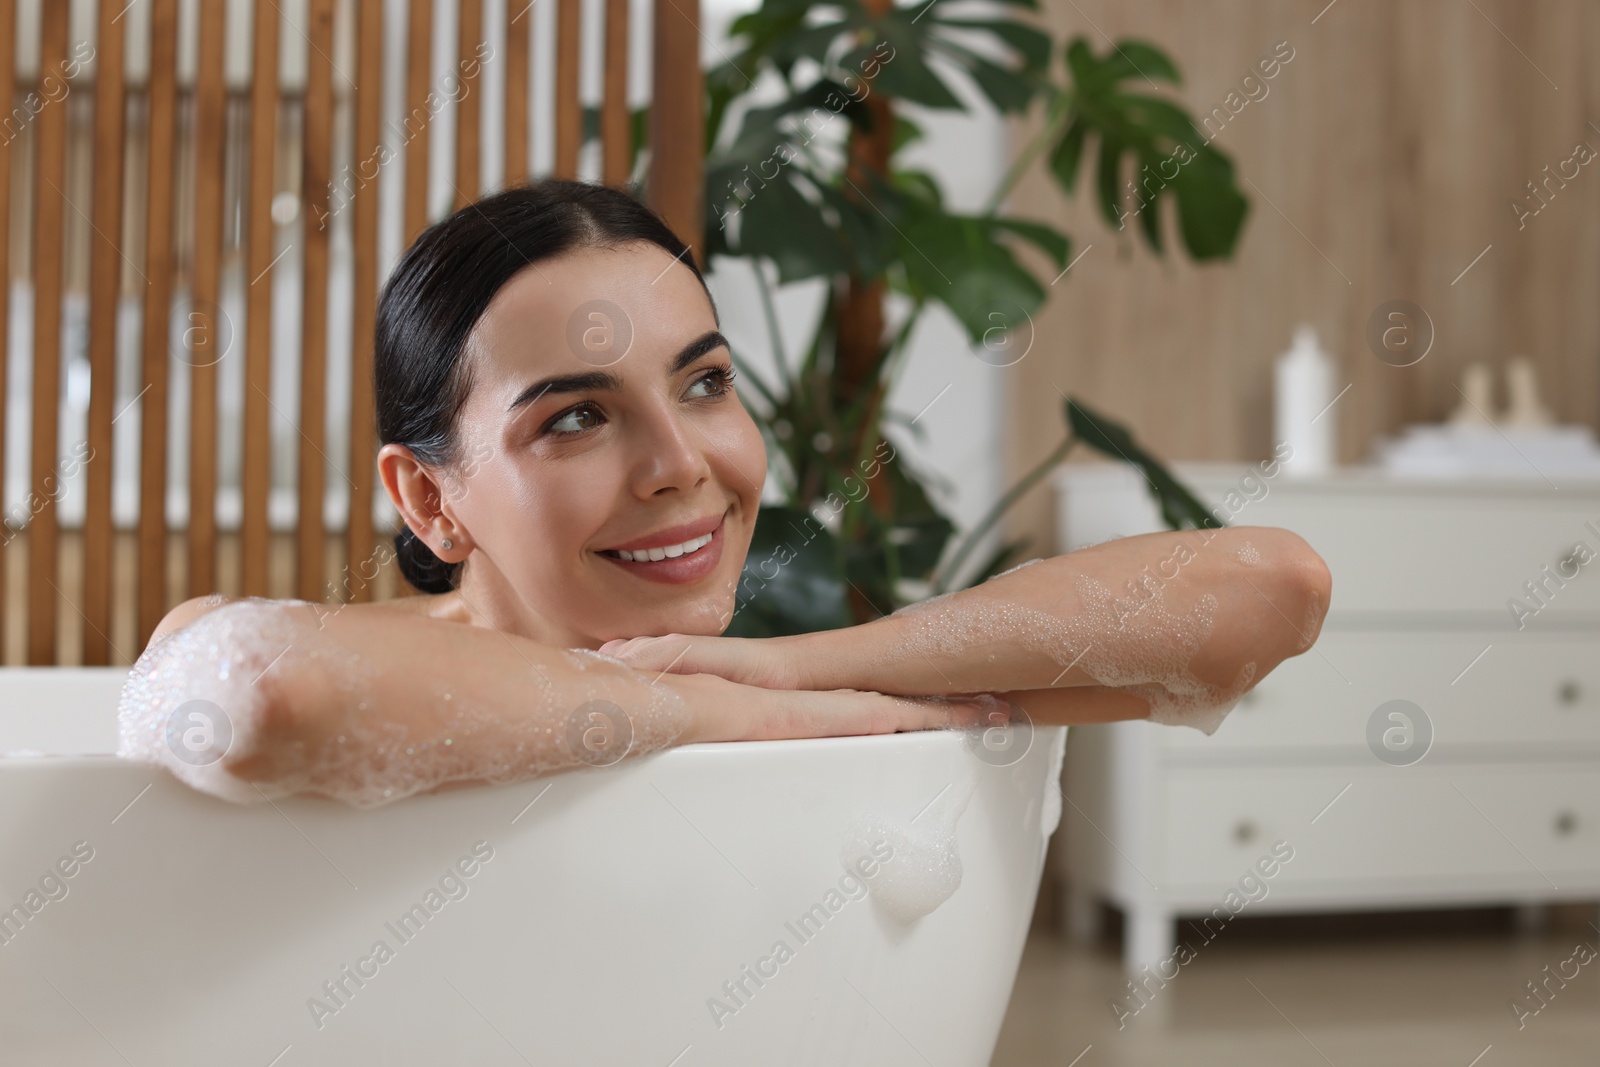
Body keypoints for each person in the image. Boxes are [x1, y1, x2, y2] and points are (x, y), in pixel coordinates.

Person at [118, 179, 1331, 807]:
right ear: (431, 498)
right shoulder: (302, 651)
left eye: (702, 384)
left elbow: (1271, 586)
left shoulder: (810, 679)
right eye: (577, 416)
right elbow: (258, 695)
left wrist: (800, 672)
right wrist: (720, 719)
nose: (679, 464)